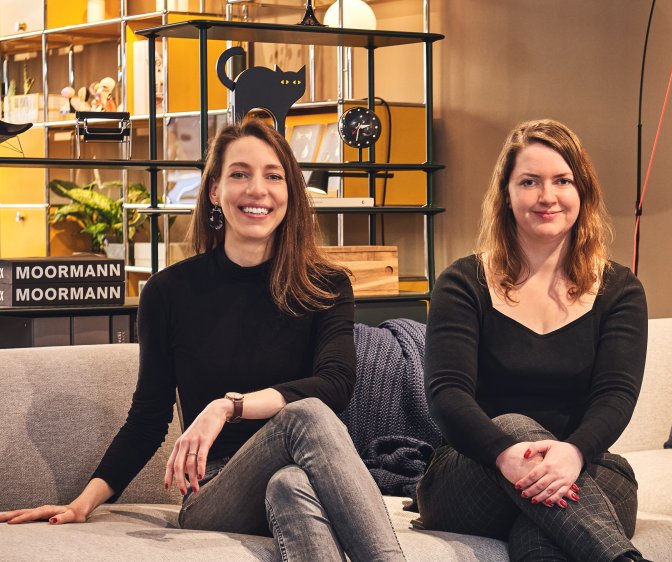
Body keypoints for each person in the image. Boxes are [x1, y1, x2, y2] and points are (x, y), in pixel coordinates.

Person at [0, 118, 405, 562]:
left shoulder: (325, 285)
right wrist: (83, 503)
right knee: (303, 414)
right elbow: (148, 419)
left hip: (299, 473)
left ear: (291, 192)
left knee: (289, 484)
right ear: (215, 190)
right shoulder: (169, 292)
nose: (258, 190)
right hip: (214, 491)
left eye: (273, 176)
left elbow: (336, 384)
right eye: (240, 174)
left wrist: (228, 406)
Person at [416, 119, 649, 562]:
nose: (547, 196)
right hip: (475, 473)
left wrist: (573, 452)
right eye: (529, 182)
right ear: (506, 194)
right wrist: (506, 454)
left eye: (563, 180)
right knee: (513, 425)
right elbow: (447, 394)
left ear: (583, 192)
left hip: (584, 467)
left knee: (542, 527)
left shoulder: (620, 289)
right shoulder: (463, 282)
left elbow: (616, 395)